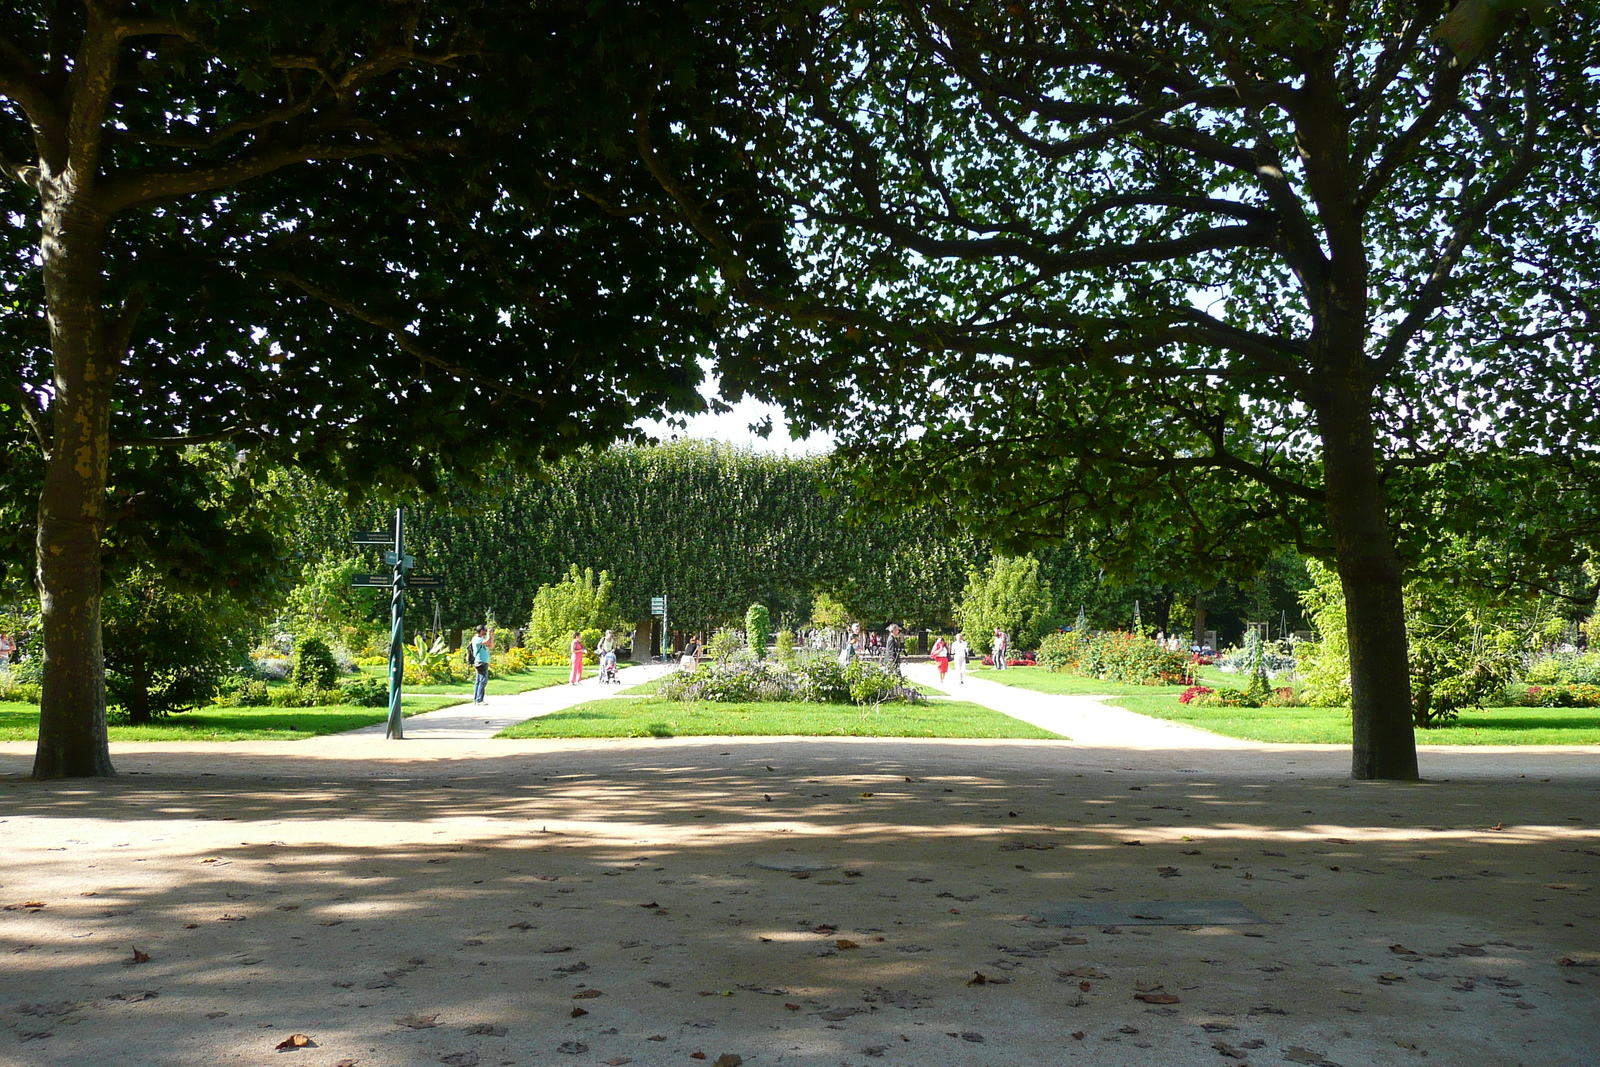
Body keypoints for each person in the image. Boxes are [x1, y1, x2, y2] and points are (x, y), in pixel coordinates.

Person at [469, 625, 493, 704]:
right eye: (485, 630)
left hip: (483, 661)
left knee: (479, 681)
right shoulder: (477, 639)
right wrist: (489, 635)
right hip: (480, 662)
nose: (486, 632)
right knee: (482, 681)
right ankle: (479, 700)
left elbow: (491, 646)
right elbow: (488, 642)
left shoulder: (482, 639)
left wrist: (491, 636)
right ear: (481, 631)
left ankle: (476, 699)